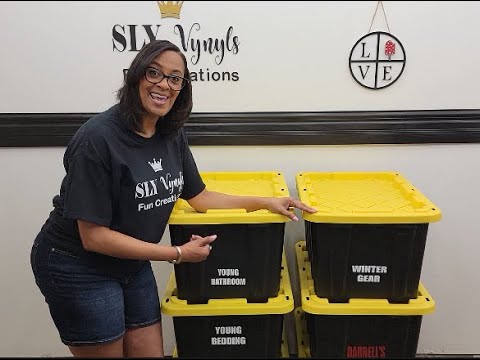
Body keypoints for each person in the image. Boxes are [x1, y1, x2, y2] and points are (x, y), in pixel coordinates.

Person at [30, 39, 317, 358]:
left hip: (131, 263)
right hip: (78, 265)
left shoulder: (170, 132)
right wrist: (177, 252)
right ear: (136, 76)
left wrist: (265, 202)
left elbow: (201, 197)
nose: (163, 84)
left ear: (182, 87)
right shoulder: (97, 141)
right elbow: (94, 237)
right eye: (154, 73)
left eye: (174, 78)